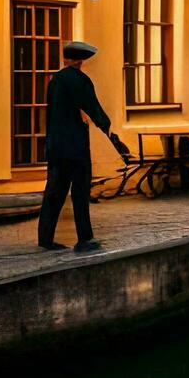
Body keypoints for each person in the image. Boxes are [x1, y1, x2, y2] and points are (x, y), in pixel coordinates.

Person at [37, 41, 113, 253]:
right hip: (75, 146)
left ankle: (45, 237)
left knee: (54, 191)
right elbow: (92, 107)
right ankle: (84, 239)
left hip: (55, 145)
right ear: (81, 61)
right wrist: (107, 128)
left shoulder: (55, 81)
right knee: (80, 192)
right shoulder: (80, 80)